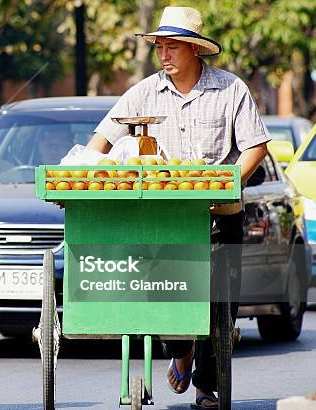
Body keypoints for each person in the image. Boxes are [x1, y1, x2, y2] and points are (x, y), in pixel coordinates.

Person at [87, 7, 270, 408]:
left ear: (193, 50)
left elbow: (254, 146)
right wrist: (98, 169)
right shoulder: (143, 92)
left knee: (219, 304)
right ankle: (181, 351)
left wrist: (226, 183)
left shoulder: (231, 89)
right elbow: (99, 142)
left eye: (172, 47)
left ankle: (206, 388)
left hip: (220, 214)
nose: (164, 55)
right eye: (159, 48)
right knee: (167, 294)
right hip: (162, 219)